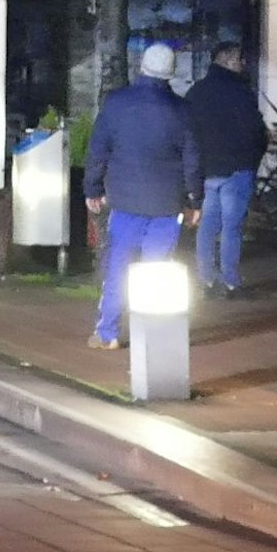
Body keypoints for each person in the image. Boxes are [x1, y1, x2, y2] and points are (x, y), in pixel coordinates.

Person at [84, 43, 202, 350]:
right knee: (157, 270)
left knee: (118, 266)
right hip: (166, 204)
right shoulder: (182, 110)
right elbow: (192, 159)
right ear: (170, 73)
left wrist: (93, 189)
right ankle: (154, 338)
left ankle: (108, 332)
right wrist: (194, 201)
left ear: (142, 67)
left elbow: (98, 150)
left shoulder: (116, 103)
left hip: (124, 202)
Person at [186, 42, 266, 298]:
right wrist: (252, 160)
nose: (243, 65)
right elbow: (256, 131)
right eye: (240, 60)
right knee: (232, 227)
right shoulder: (241, 92)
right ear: (230, 60)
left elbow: (189, 133)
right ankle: (231, 281)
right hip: (237, 168)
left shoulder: (196, 92)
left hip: (207, 169)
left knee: (207, 225)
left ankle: (206, 280)